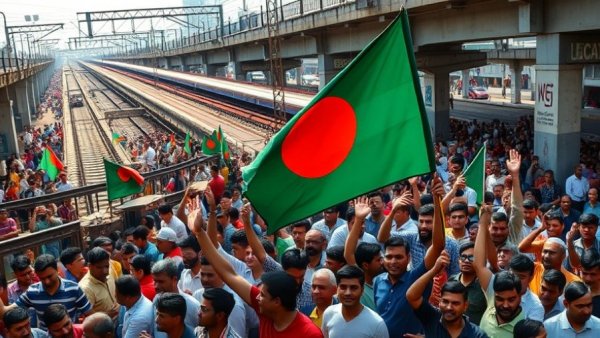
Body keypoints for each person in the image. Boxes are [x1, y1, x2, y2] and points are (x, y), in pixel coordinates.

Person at [191, 208, 324, 337]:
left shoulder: (309, 333)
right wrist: (199, 232)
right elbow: (229, 274)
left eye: (262, 295)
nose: (257, 297)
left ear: (277, 301)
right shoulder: (266, 311)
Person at [374, 177, 447, 335]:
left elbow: (438, 246)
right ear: (383, 259)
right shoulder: (378, 281)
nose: (393, 261)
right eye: (389, 257)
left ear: (408, 258)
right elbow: (382, 237)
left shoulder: (415, 278)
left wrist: (436, 200)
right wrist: (393, 211)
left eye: (399, 257)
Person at [406, 252, 488, 337]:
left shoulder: (477, 335)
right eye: (445, 301)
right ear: (439, 302)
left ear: (465, 306)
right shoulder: (432, 318)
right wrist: (434, 270)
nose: (449, 307)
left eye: (455, 303)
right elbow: (411, 296)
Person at [2, 254, 92, 330]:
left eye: (49, 276)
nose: (47, 281)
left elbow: (90, 316)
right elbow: (5, 312)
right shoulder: (33, 292)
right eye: (42, 278)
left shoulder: (74, 289)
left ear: (57, 270)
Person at [321, 265, 388, 338]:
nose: (348, 293)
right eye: (343, 287)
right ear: (337, 289)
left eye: (353, 288)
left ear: (362, 290)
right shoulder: (329, 314)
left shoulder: (377, 323)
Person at [449, 241, 487, 325]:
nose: (466, 261)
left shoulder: (484, 284)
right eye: (463, 257)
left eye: (471, 258)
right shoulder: (452, 280)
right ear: (459, 260)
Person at [78, 247, 119, 318]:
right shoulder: (85, 288)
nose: (105, 271)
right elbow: (88, 316)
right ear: (89, 266)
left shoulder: (110, 270)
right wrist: (107, 315)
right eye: (99, 268)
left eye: (106, 266)